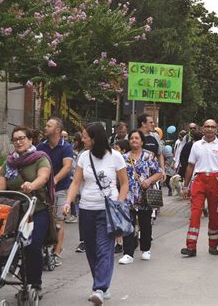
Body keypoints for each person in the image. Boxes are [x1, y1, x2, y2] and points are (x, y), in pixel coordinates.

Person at [63, 123, 128, 305]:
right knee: (91, 249)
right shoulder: (84, 156)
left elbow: (124, 183)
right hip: (86, 209)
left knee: (104, 249)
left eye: (85, 137)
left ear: (95, 138)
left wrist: (119, 205)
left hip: (107, 210)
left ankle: (99, 288)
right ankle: (100, 285)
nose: (82, 140)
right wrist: (68, 202)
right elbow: (76, 182)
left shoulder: (115, 157)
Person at [0, 126, 53, 294]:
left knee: (32, 244)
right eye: (15, 139)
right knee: (7, 242)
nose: (18, 142)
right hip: (15, 211)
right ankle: (15, 272)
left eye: (22, 138)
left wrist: (32, 185)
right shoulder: (9, 162)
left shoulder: (40, 158)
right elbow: (2, 184)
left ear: (30, 140)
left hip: (36, 210)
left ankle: (34, 283)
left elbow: (43, 177)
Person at [181, 119, 218, 257]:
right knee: (195, 213)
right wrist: (185, 186)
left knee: (214, 215)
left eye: (212, 127)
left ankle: (213, 245)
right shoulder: (196, 145)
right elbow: (190, 166)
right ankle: (191, 247)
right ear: (203, 128)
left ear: (217, 129)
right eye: (207, 127)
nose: (209, 129)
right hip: (199, 180)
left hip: (215, 180)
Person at [118, 130, 162, 265]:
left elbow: (159, 173)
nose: (134, 140)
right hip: (128, 195)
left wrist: (149, 181)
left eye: (137, 138)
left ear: (142, 141)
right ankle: (128, 253)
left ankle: (145, 249)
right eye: (131, 138)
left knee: (145, 223)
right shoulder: (123, 158)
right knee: (128, 225)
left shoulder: (149, 156)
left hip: (144, 196)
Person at [37, 117, 73, 266]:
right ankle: (43, 250)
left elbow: (67, 166)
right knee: (44, 220)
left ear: (57, 130)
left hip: (60, 189)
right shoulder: (41, 146)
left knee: (58, 221)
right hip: (43, 190)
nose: (45, 128)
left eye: (48, 125)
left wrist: (55, 180)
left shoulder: (66, 147)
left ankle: (57, 252)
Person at [137, 113, 165, 180]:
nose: (153, 124)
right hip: (137, 174)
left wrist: (162, 170)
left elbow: (159, 154)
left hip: (153, 174)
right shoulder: (134, 136)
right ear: (143, 124)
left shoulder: (155, 136)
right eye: (151, 122)